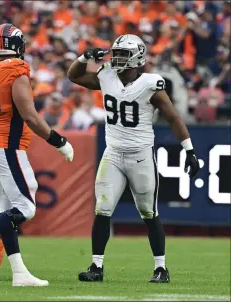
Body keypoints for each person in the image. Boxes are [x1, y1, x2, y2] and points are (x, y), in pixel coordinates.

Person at [67, 34, 200, 283]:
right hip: (113, 154)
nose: (116, 58)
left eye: (123, 54)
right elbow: (73, 76)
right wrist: (84, 56)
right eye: (115, 53)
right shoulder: (106, 76)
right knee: (102, 209)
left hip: (140, 156)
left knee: (149, 212)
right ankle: (96, 266)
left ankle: (161, 268)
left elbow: (173, 118)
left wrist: (189, 150)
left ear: (138, 57)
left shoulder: (150, 84)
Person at [0, 23, 74, 287]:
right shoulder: (16, 69)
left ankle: (20, 273)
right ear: (19, 46)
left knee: (8, 211)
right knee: (26, 208)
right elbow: (30, 115)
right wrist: (58, 141)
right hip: (7, 148)